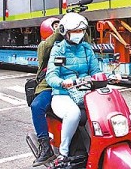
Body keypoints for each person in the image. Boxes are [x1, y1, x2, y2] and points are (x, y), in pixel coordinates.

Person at [46, 13, 101, 167]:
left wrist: (105, 77)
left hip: (85, 92)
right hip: (62, 95)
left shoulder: (86, 48)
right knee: (73, 113)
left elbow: (95, 71)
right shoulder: (58, 50)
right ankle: (63, 153)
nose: (79, 34)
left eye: (81, 31)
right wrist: (63, 83)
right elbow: (51, 76)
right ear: (65, 31)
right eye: (75, 31)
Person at [31, 17, 61, 167]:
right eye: (55, 26)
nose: (58, 28)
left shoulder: (69, 44)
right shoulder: (43, 46)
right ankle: (45, 146)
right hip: (48, 86)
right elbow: (49, 44)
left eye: (59, 26)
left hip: (69, 84)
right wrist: (61, 29)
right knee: (37, 106)